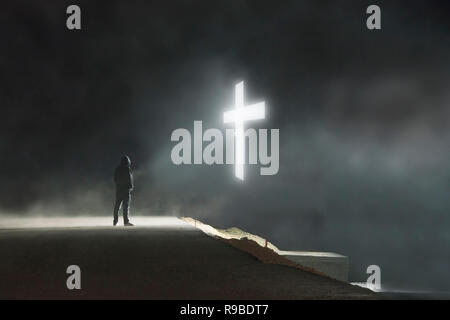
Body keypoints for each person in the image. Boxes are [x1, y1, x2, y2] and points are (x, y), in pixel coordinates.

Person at [113, 155, 134, 226]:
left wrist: (119, 185)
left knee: (117, 206)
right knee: (126, 206)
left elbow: (115, 179)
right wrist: (130, 186)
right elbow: (129, 178)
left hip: (119, 190)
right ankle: (126, 222)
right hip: (126, 190)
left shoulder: (117, 169)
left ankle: (115, 221)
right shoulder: (127, 168)